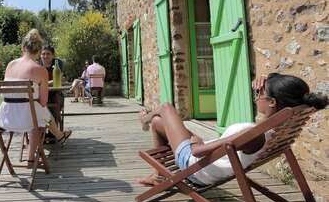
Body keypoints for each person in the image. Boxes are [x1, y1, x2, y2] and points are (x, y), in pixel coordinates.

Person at [138, 73, 328, 186]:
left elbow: (197, 151)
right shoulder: (275, 129)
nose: (256, 96)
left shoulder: (252, 134)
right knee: (158, 123)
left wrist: (197, 141)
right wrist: (269, 79)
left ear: (272, 102)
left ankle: (143, 119)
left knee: (164, 109)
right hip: (205, 163)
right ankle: (158, 174)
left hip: (193, 166)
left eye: (259, 93)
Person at [0, 29, 72, 164]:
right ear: (38, 52)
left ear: (22, 47)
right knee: (39, 114)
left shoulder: (10, 65)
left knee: (35, 113)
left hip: (5, 118)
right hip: (27, 120)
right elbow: (43, 102)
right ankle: (33, 158)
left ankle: (57, 138)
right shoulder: (39, 70)